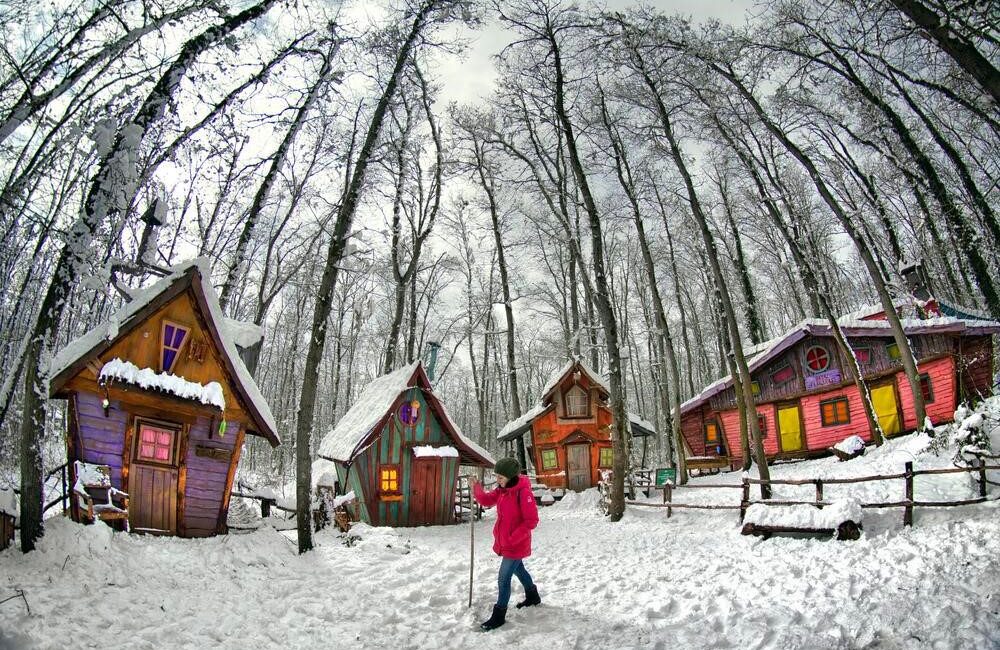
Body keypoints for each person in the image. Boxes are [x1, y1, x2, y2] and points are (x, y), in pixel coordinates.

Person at [470, 457, 541, 631]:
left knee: (503, 578)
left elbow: (531, 521)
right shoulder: (503, 490)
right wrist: (476, 487)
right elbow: (486, 500)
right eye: (497, 476)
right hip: (507, 542)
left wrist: (512, 538)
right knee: (519, 570)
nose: (498, 480)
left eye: (501, 477)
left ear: (511, 477)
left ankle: (499, 615)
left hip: (515, 544)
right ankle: (533, 596)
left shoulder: (523, 492)